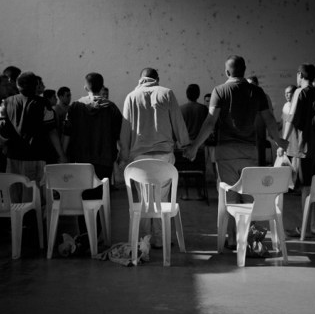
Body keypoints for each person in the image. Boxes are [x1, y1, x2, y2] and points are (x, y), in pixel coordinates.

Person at [185, 56, 288, 248]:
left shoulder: (219, 90)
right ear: (244, 70)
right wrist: (279, 140)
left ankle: (233, 239)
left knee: (231, 196)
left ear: (227, 72)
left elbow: (210, 122)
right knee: (249, 196)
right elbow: (269, 119)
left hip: (226, 151)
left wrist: (195, 146)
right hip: (249, 150)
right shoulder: (257, 91)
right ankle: (249, 239)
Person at [119, 67, 189, 248]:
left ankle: (145, 240)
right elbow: (177, 121)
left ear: (140, 79)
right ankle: (160, 238)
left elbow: (125, 129)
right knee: (161, 199)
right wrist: (185, 144)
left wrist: (124, 156)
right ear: (157, 79)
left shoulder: (131, 97)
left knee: (144, 199)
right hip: (164, 157)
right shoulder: (167, 93)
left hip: (139, 159)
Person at [0, 71, 67, 202]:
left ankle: (17, 216)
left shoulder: (7, 102)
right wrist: (61, 154)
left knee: (15, 198)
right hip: (35, 156)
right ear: (36, 85)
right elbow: (52, 131)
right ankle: (32, 216)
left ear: (17, 85)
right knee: (33, 198)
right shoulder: (43, 103)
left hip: (12, 157)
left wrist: (2, 142)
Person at [279, 63, 315, 236]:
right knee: (312, 188)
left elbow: (291, 120)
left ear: (300, 74)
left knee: (305, 190)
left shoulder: (300, 92)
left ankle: (305, 228)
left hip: (303, 147)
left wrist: (283, 142)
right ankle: (314, 225)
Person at [63, 73, 122, 189]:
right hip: (105, 160)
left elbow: (67, 133)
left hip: (80, 160)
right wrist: (122, 156)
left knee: (82, 194)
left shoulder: (75, 106)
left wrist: (63, 155)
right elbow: (119, 134)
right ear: (102, 87)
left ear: (85, 87)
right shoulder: (111, 107)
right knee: (103, 195)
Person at [177, 84, 209, 199]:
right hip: (200, 143)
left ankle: (186, 193)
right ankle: (200, 193)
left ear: (187, 95)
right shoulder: (203, 109)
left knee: (185, 169)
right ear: (198, 95)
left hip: (185, 144)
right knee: (199, 169)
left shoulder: (181, 109)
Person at [247, 75, 275, 165]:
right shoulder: (245, 96)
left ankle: (260, 168)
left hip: (260, 128)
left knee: (260, 151)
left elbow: (270, 113)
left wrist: (271, 130)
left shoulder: (264, 96)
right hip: (248, 130)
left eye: (252, 84)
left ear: (257, 84)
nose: (250, 86)